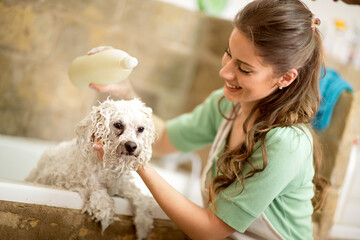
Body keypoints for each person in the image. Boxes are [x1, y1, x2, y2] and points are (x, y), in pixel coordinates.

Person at [90, 0, 329, 239]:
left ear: (285, 78)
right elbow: (162, 140)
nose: (224, 72)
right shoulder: (229, 105)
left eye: (244, 68)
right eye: (229, 53)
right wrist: (126, 92)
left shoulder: (287, 143)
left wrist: (135, 159)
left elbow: (210, 230)